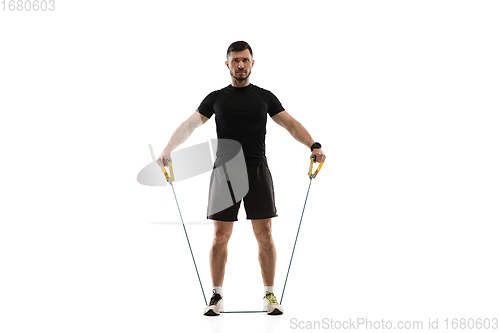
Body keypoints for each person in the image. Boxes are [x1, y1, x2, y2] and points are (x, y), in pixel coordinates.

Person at [157, 41, 326, 316]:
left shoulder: (264, 97)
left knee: (265, 234)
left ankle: (269, 295)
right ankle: (216, 296)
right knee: (220, 236)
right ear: (227, 64)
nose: (240, 65)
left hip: (258, 170)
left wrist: (313, 145)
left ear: (252, 63)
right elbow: (189, 125)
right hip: (225, 172)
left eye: (245, 60)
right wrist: (167, 150)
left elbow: (290, 124)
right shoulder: (216, 98)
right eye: (235, 60)